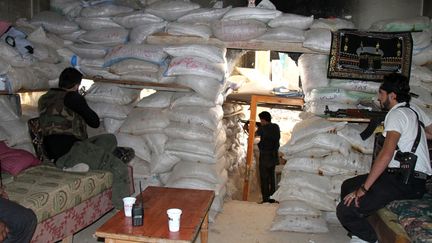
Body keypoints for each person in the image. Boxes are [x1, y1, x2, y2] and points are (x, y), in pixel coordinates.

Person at [336, 73, 432, 243]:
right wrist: (417, 133)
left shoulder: (395, 115)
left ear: (392, 95)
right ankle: (361, 233)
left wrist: (364, 189)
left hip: (406, 181)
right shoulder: (413, 109)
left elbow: (386, 154)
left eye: (381, 94)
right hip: (408, 178)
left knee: (345, 211)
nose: (379, 98)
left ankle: (370, 239)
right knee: (348, 185)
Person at [38, 67, 130, 209]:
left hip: (55, 151)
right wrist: (81, 101)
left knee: (109, 138)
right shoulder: (73, 97)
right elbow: (93, 122)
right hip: (71, 152)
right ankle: (124, 212)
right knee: (119, 168)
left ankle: (86, 162)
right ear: (76, 85)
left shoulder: (44, 98)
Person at [256, 111, 280, 204]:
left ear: (263, 119)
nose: (260, 122)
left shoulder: (263, 128)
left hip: (265, 157)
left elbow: (255, 134)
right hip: (273, 156)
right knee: (272, 179)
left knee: (264, 179)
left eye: (261, 120)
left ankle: (266, 199)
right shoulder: (276, 127)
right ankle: (272, 198)